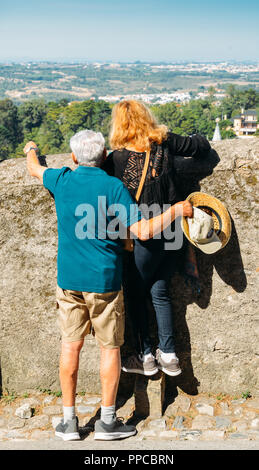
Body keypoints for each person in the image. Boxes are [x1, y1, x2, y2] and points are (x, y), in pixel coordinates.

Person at [24, 130, 192, 441]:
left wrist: (31, 148)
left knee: (70, 347)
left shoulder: (61, 179)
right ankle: (108, 421)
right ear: (104, 157)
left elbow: (34, 168)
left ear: (74, 158)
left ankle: (69, 421)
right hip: (104, 281)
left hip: (69, 281)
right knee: (109, 349)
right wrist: (176, 210)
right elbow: (142, 231)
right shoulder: (113, 186)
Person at [103, 100, 211, 377]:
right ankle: (170, 354)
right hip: (173, 230)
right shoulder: (164, 142)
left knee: (138, 294)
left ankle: (147, 354)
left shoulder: (115, 160)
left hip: (143, 236)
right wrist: (199, 137)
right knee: (160, 292)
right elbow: (200, 147)